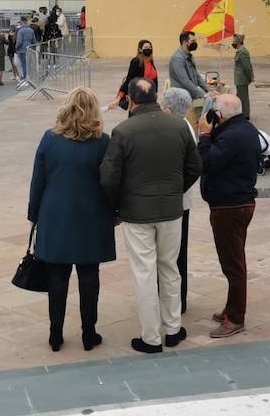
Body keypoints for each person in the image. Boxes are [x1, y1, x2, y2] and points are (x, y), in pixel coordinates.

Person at [100, 78, 202, 353]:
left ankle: (151, 337)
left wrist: (117, 206)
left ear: (131, 101)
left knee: (145, 273)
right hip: (171, 211)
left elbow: (109, 177)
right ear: (156, 97)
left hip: (137, 213)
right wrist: (174, 190)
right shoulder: (180, 126)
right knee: (170, 268)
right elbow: (195, 166)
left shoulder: (123, 131)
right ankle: (173, 328)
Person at [28, 88, 114, 352]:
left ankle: (56, 334)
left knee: (57, 276)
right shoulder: (102, 142)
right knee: (89, 276)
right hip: (91, 216)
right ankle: (89, 333)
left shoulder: (50, 139)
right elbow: (109, 182)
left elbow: (38, 181)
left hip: (55, 215)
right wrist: (114, 211)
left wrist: (33, 215)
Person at [197, 93, 260, 339]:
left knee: (233, 264)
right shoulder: (243, 129)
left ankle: (235, 318)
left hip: (230, 207)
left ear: (221, 115)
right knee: (234, 260)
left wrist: (203, 135)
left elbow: (206, 161)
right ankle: (231, 308)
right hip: (237, 203)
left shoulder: (233, 136)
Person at [160, 87, 197, 314]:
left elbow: (193, 168)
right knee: (174, 253)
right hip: (179, 201)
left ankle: (176, 301)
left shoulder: (180, 129)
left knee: (174, 254)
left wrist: (176, 189)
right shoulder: (184, 127)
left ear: (170, 108)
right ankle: (175, 299)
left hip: (177, 202)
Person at [111, 39, 159, 111]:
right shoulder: (136, 62)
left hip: (150, 99)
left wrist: (155, 94)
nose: (148, 49)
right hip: (138, 100)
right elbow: (129, 80)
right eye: (145, 48)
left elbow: (154, 79)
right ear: (140, 49)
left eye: (150, 47)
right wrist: (118, 98)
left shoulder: (150, 61)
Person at [169, 31, 209, 100]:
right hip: (182, 99)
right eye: (193, 41)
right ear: (185, 43)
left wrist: (209, 90)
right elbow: (185, 82)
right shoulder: (177, 59)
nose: (195, 43)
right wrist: (203, 95)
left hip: (192, 95)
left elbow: (197, 76)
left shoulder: (190, 56)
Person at [232, 34, 254, 120]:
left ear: (238, 41)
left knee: (243, 98)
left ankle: (245, 115)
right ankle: (244, 114)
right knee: (241, 97)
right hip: (240, 79)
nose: (233, 42)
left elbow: (247, 67)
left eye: (234, 41)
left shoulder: (243, 52)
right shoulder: (239, 51)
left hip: (242, 79)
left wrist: (250, 77)